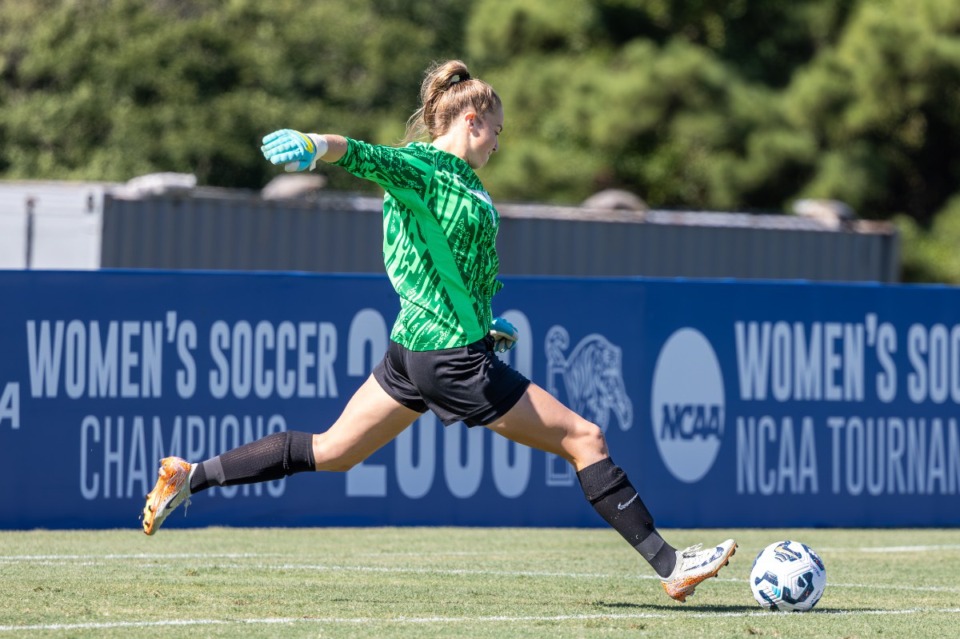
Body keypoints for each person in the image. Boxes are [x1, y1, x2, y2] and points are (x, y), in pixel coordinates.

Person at [140, 59, 736, 603]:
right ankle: (670, 564)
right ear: (472, 119)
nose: (500, 143)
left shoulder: (468, 183)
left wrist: (482, 320)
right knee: (586, 439)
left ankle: (191, 475)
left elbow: (451, 264)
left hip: (415, 353)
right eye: (498, 130)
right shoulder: (425, 168)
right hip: (450, 359)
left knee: (334, 451)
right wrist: (315, 143)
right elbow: (364, 155)